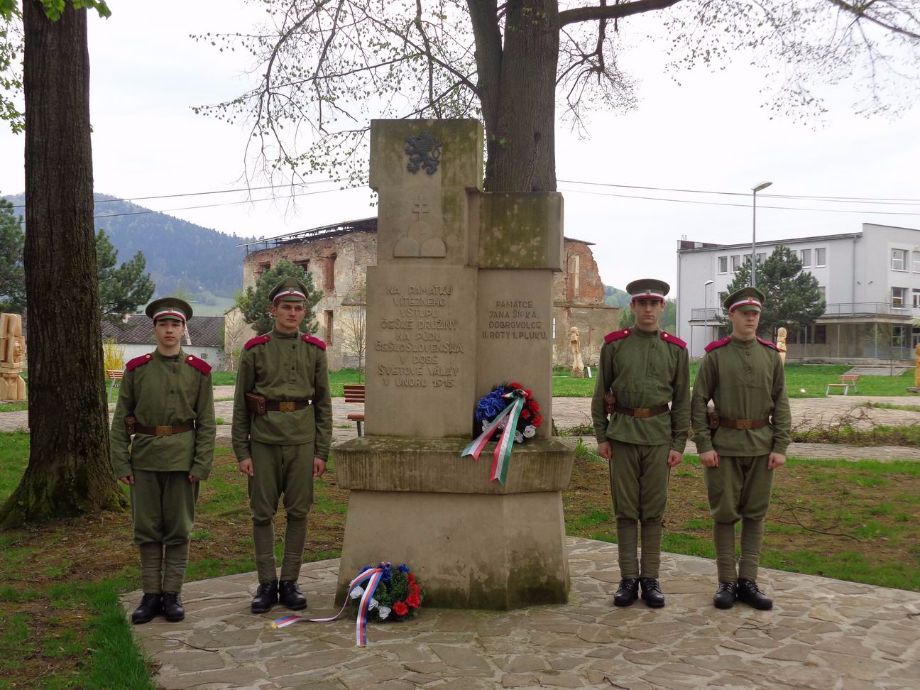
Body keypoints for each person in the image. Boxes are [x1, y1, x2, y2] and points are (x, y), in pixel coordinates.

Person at [110, 297, 215, 624]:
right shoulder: (137, 369)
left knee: (179, 529)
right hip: (144, 459)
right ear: (154, 329)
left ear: (184, 329)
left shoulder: (198, 371)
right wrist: (121, 463)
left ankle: (172, 594)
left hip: (182, 461)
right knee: (146, 529)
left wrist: (201, 464)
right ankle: (150, 594)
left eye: (175, 324)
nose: (169, 330)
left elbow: (207, 423)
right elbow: (121, 418)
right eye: (163, 324)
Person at [232, 277, 332, 614]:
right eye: (286, 307)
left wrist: (321, 451)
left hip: (302, 441)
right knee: (262, 513)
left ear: (304, 312)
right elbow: (241, 404)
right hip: (264, 441)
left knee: (299, 512)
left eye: (298, 308)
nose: (292, 313)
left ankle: (289, 581)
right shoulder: (255, 349)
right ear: (273, 310)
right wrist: (242, 451)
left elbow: (323, 404)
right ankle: (266, 583)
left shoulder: (314, 350)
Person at [691, 286, 791, 610]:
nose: (751, 318)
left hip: (762, 447)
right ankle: (726, 581)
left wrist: (780, 445)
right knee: (724, 514)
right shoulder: (716, 355)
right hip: (724, 448)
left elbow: (781, 402)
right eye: (745, 313)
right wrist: (704, 444)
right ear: (731, 315)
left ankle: (748, 580)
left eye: (755, 314)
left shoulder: (770, 355)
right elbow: (698, 402)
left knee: (755, 515)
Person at [591, 279, 690, 608]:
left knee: (653, 511)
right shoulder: (614, 345)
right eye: (642, 303)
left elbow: (682, 401)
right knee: (625, 511)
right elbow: (600, 394)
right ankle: (628, 578)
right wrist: (602, 436)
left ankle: (650, 578)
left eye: (654, 303)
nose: (648, 309)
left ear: (662, 307)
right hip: (622, 437)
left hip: (659, 437)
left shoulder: (675, 349)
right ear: (632, 306)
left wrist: (678, 443)